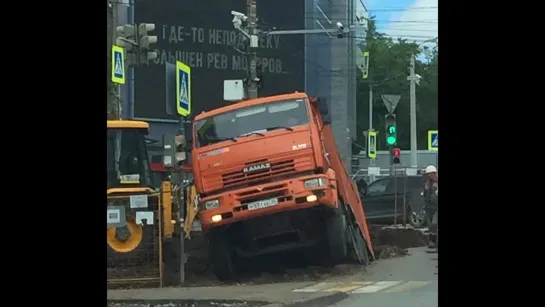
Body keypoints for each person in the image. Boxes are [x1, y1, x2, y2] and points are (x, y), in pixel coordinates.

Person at [423, 165, 438, 250]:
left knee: (434, 223)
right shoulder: (427, 184)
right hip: (429, 207)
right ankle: (432, 241)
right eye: (428, 174)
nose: (428, 175)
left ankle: (433, 241)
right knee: (430, 225)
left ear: (434, 173)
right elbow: (425, 195)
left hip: (436, 207)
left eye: (430, 174)